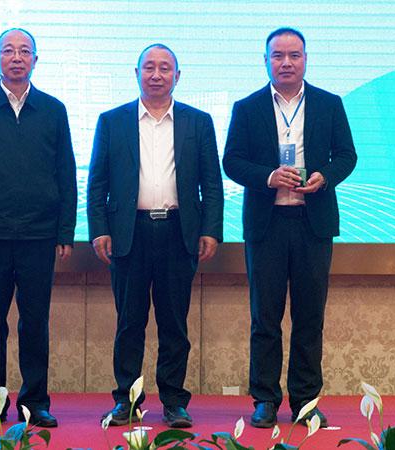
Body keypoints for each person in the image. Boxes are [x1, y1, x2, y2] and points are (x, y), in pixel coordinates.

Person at [222, 27, 357, 428]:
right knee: (265, 318)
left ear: (305, 60)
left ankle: (305, 401)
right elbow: (232, 160)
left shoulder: (329, 104)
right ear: (265, 61)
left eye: (294, 55)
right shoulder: (247, 108)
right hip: (267, 227)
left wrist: (325, 176)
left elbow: (347, 155)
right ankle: (265, 400)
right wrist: (267, 176)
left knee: (309, 317)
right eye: (277, 56)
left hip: (312, 225)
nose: (285, 62)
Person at [87, 44, 224, 428]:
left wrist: (211, 229)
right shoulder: (112, 121)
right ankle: (126, 401)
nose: (157, 74)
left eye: (165, 68)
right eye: (149, 67)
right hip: (129, 233)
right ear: (137, 74)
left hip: (179, 233)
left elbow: (212, 182)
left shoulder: (198, 122)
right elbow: (97, 183)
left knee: (174, 325)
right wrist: (99, 229)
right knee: (129, 324)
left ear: (177, 76)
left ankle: (174, 402)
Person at [0, 28, 77, 429]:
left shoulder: (53, 110)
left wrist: (65, 231)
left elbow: (66, 172)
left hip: (40, 235)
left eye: (25, 51)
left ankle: (35, 402)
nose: (17, 57)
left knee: (35, 322)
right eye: (8, 51)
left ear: (36, 60)